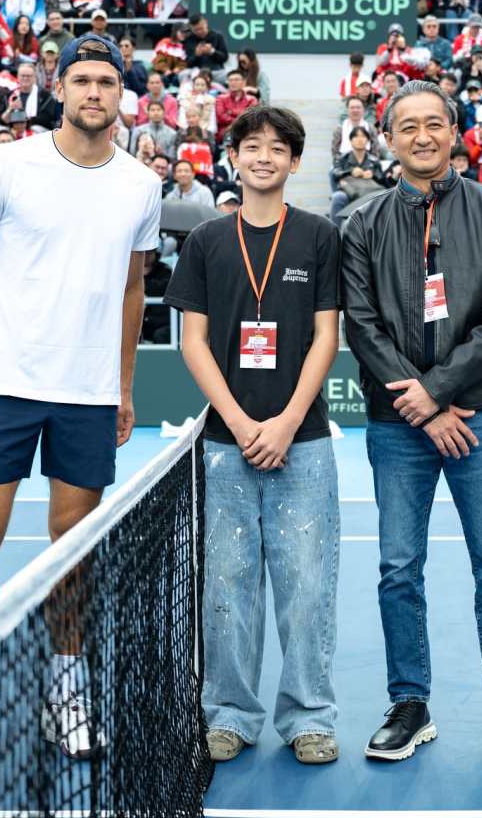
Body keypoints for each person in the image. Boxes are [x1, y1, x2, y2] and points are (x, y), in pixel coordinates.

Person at [0, 35, 161, 778]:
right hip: (4, 386)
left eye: (107, 81)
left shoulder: (141, 185)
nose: (94, 91)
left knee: (72, 551)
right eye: (81, 79)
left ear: (124, 96)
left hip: (87, 397)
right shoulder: (7, 165)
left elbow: (131, 291)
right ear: (58, 89)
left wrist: (122, 387)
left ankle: (65, 688)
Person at [340, 80, 482, 770]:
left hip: (478, 417)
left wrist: (433, 393)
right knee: (399, 567)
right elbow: (362, 324)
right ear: (389, 138)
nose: (423, 136)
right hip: (397, 424)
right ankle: (410, 704)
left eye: (435, 124)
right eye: (408, 127)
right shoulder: (362, 222)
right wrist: (422, 405)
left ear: (455, 130)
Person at [165, 104, 342, 768]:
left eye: (278, 148)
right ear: (233, 157)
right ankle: (230, 714)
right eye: (252, 146)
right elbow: (194, 342)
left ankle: (309, 717)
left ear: (295, 162)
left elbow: (328, 335)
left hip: (306, 440)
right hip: (224, 444)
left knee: (307, 585)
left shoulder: (320, 236)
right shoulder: (207, 240)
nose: (264, 156)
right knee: (228, 585)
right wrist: (239, 423)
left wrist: (289, 420)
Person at [330, 125, 384, 224]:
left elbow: (382, 179)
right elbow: (335, 174)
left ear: (367, 140)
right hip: (349, 192)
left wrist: (373, 174)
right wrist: (350, 171)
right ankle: (334, 232)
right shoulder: (342, 159)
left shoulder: (374, 160)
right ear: (351, 140)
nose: (360, 139)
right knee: (338, 197)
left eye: (363, 136)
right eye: (356, 136)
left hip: (369, 192)